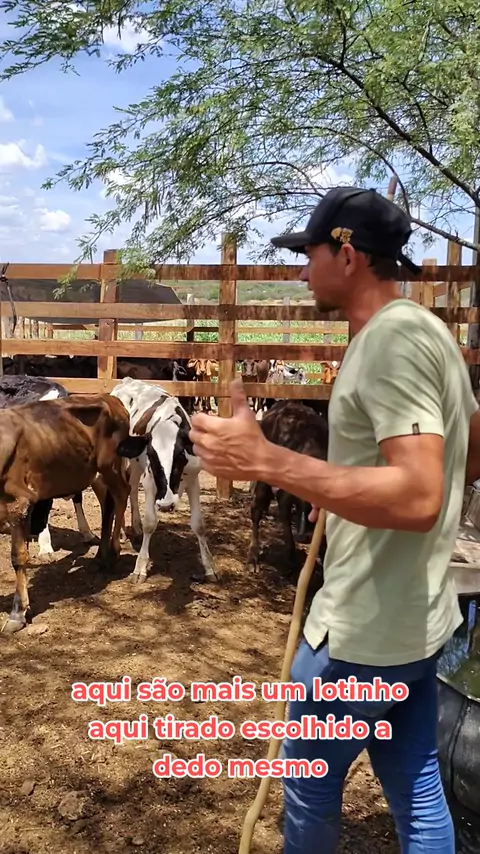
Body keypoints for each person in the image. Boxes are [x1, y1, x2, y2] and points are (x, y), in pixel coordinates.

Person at [189, 186, 480, 854]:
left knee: (309, 788)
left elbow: (419, 497)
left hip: (359, 635)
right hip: (420, 619)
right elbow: (469, 452)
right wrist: (350, 487)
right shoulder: (429, 331)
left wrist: (271, 462)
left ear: (346, 255)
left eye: (309, 254)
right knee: (417, 786)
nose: (302, 272)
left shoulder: (389, 342)